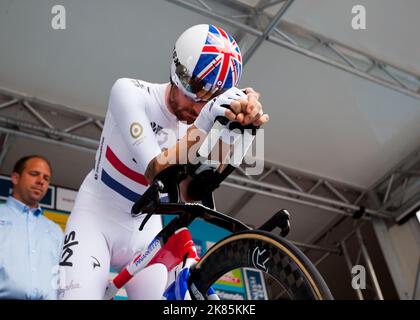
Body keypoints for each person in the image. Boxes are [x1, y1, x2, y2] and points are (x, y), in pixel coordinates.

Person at [59, 24, 269, 300]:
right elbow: (156, 170)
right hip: (96, 216)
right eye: (196, 94)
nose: (197, 108)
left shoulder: (198, 120)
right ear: (177, 72)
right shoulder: (130, 93)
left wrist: (235, 130)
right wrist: (206, 124)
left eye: (210, 100)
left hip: (145, 231)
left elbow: (190, 191)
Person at [0, 155, 63, 300]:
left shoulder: (55, 231)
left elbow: (63, 278)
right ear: (16, 178)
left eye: (46, 178)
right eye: (34, 174)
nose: (41, 181)